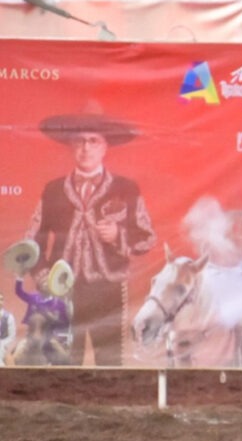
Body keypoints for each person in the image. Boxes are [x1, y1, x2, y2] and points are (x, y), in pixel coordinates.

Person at [27, 102, 157, 367]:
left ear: (105, 146)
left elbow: (147, 237)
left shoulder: (125, 188)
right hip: (62, 287)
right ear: (71, 146)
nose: (86, 148)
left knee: (109, 358)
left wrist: (118, 235)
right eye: (80, 142)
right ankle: (62, 407)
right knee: (63, 356)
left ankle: (108, 407)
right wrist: (43, 277)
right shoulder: (53, 190)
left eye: (93, 141)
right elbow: (33, 240)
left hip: (108, 288)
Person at [0, 291, 15, 364]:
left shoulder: (9, 317)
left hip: (3, 345)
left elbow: (11, 336)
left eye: (1, 299)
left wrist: (2, 344)